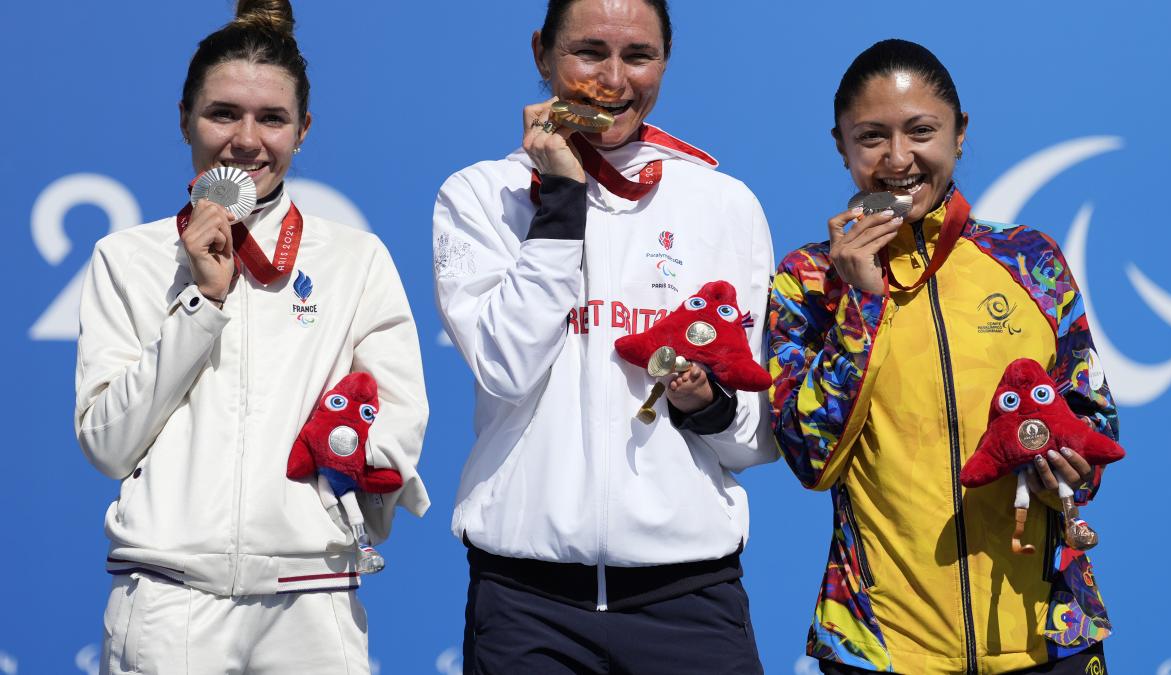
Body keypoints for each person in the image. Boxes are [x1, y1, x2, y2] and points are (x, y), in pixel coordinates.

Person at [74, 1, 429, 672]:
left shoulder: (355, 259)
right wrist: (202, 302)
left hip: (311, 601)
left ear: (304, 130)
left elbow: (399, 421)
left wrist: (346, 462)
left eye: (272, 119)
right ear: (184, 117)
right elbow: (107, 442)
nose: (246, 140)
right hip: (169, 601)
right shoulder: (127, 257)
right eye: (222, 113)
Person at [432, 0, 775, 672]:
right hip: (528, 603)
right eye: (589, 51)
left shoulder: (723, 203)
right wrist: (559, 203)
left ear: (665, 62)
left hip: (689, 598)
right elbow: (506, 367)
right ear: (542, 53)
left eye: (638, 56)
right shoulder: (482, 195)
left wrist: (707, 404)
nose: (613, 80)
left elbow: (753, 436)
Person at [768, 39, 1118, 674]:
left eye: (921, 131)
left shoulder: (1029, 261)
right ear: (841, 145)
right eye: (871, 136)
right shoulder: (809, 280)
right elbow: (810, 456)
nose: (898, 158)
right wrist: (864, 304)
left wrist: (1067, 468)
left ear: (960, 134)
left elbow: (1093, 421)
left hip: (1049, 637)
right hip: (883, 649)